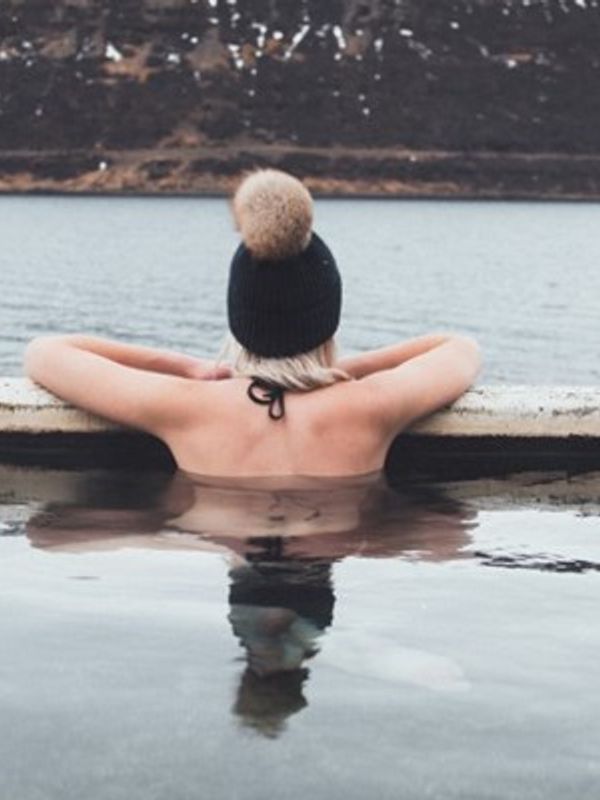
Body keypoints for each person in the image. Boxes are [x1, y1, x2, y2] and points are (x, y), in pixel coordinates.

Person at [24, 169, 481, 478]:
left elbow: (45, 355)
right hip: (329, 544)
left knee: (54, 535)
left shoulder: (187, 405)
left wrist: (186, 368)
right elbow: (460, 349)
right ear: (327, 319)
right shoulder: (369, 405)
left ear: (239, 317)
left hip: (227, 531)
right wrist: (347, 373)